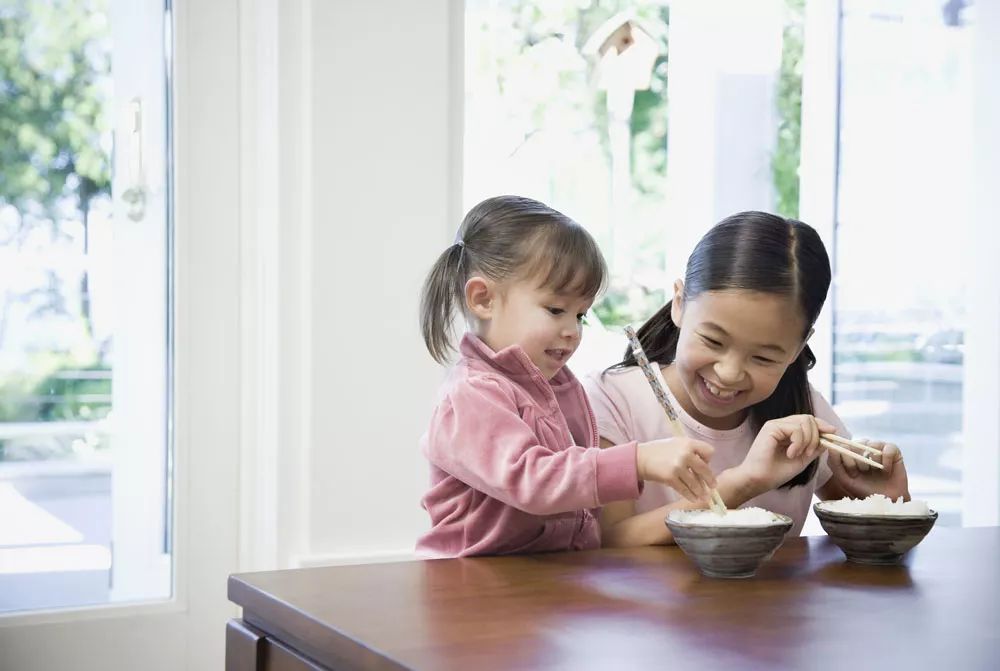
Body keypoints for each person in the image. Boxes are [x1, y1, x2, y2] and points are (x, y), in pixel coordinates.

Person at [584, 211, 911, 547]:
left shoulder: (803, 410)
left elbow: (876, 544)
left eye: (763, 358)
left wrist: (888, 507)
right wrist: (742, 483)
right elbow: (608, 543)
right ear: (679, 303)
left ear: (799, 346)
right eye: (713, 341)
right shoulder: (612, 399)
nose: (729, 373)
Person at [416, 195, 718, 558]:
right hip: (469, 582)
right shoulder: (472, 394)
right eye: (556, 310)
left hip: (539, 577)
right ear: (483, 299)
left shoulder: (552, 385)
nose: (573, 331)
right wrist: (638, 461)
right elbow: (533, 480)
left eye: (580, 316)